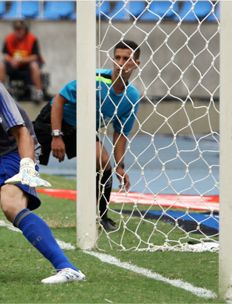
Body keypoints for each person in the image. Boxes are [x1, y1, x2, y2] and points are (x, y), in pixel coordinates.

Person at [33, 40, 141, 232]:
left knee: (105, 164)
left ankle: (101, 217)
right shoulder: (96, 79)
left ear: (136, 63)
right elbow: (59, 100)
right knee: (26, 160)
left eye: (126, 59)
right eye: (117, 58)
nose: (121, 62)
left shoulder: (132, 97)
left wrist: (120, 166)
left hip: (82, 129)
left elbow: (121, 132)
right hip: (53, 120)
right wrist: (56, 136)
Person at [0, 83, 85, 284]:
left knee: (11, 203)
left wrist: (27, 166)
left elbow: (23, 134)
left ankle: (67, 268)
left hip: (14, 152)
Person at [0, 20, 44, 102]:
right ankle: (1, 92)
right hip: (13, 64)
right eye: (16, 29)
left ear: (25, 29)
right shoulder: (8, 38)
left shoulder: (32, 39)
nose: (18, 31)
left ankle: (39, 92)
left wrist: (21, 61)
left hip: (27, 65)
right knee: (1, 65)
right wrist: (12, 60)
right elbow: (5, 55)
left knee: (34, 65)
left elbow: (35, 56)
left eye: (20, 29)